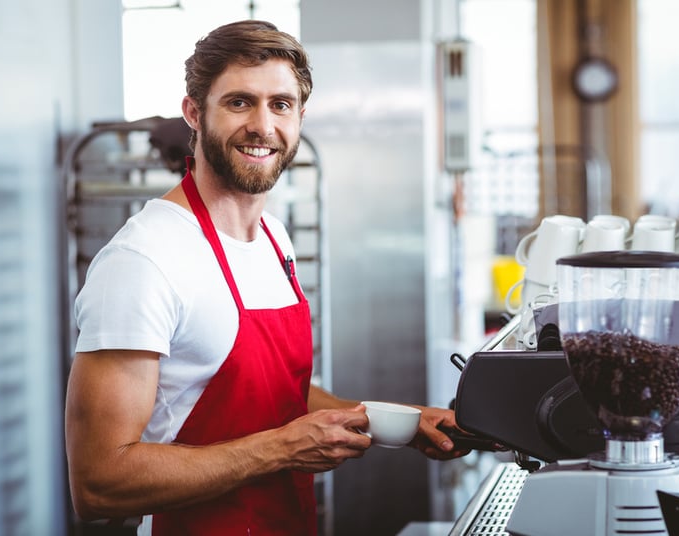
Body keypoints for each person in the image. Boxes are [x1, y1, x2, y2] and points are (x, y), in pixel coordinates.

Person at [64, 19, 470, 536]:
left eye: (280, 105)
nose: (262, 125)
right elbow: (98, 483)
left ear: (300, 116)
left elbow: (275, 393)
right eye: (239, 102)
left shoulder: (274, 237)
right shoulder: (144, 260)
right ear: (194, 112)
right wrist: (281, 449)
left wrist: (393, 420)